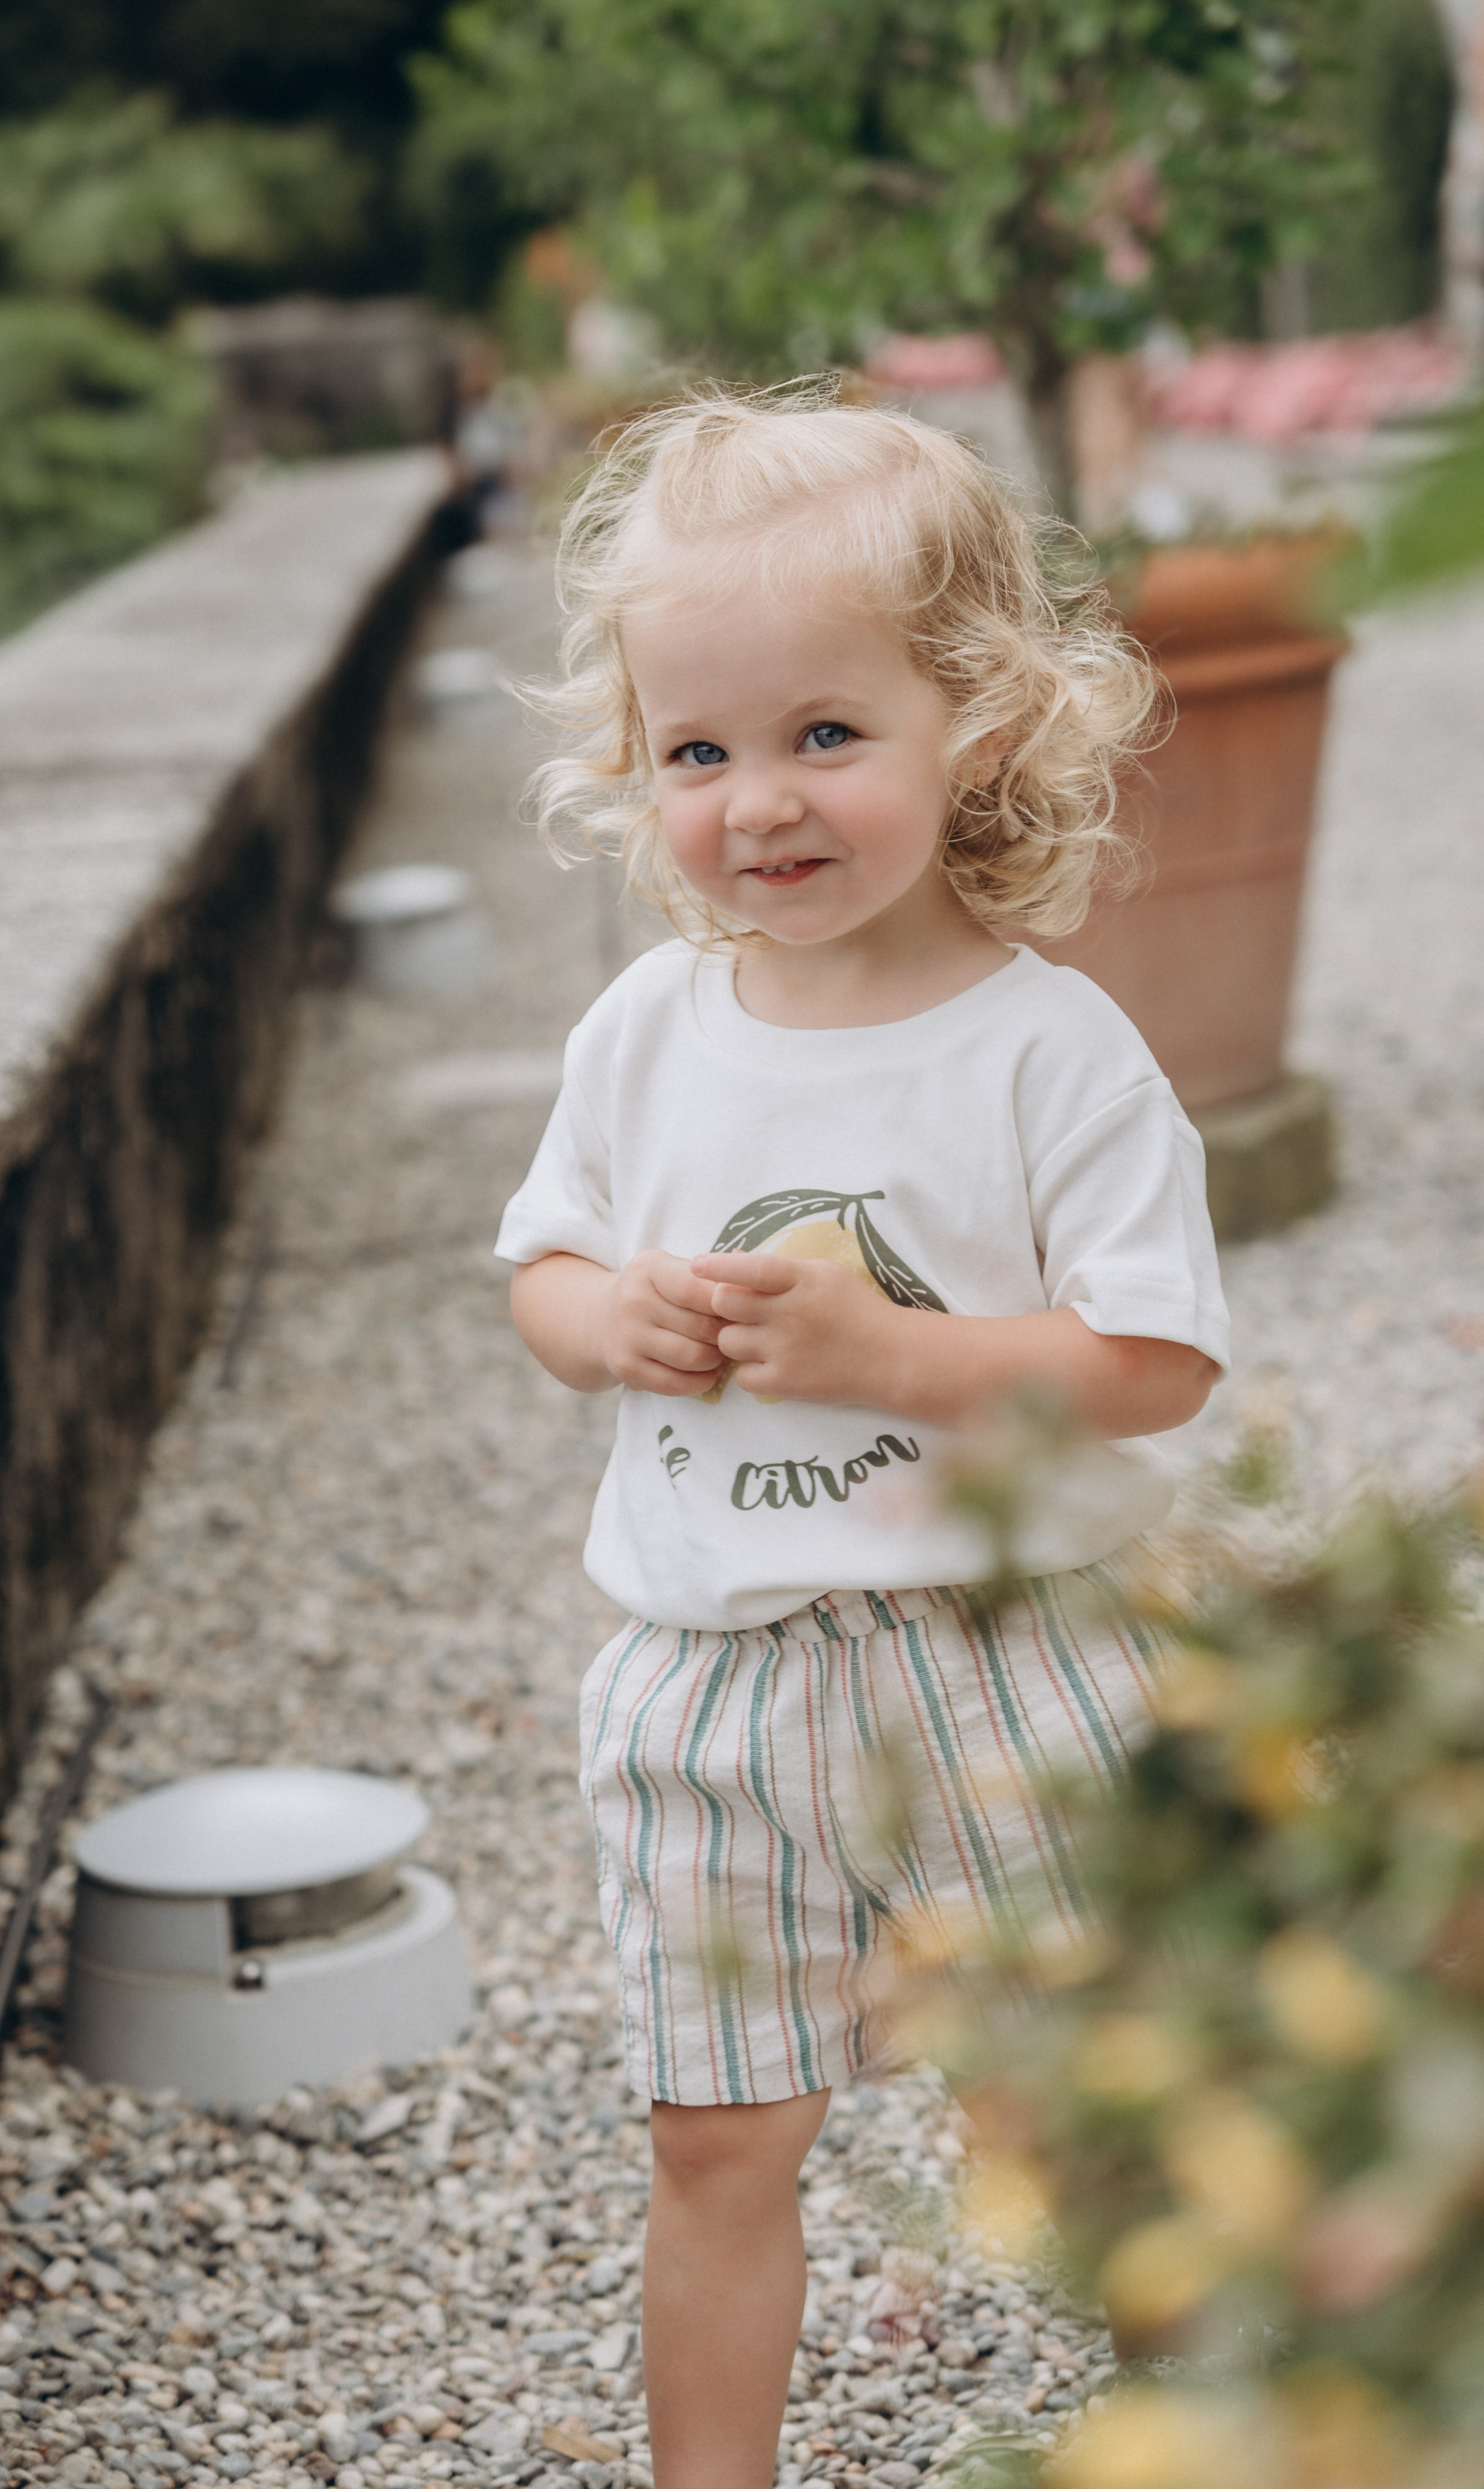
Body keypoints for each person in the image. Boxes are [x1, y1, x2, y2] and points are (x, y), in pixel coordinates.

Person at [494, 384, 1229, 2489]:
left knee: (1067, 2102)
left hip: (1001, 1663)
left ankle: (1206, 2427)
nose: (760, 804)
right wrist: (610, 1320)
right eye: (700, 752)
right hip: (709, 1680)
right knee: (714, 2134)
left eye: (827, 735)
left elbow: (1155, 1361)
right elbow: (541, 1276)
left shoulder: (1046, 1054)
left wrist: (893, 1358)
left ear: (976, 724)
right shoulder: (647, 1036)